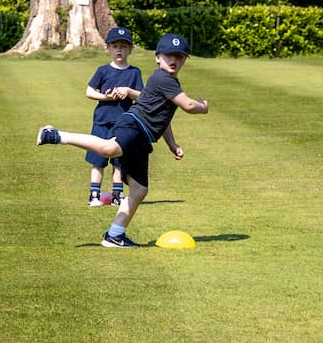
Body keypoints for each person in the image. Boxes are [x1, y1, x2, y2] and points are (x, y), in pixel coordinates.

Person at [36, 33, 209, 248]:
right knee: (110, 149)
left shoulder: (170, 82)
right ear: (157, 58)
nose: (173, 60)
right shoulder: (163, 79)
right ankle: (54, 135)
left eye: (179, 57)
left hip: (143, 140)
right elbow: (189, 106)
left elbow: (163, 119)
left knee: (139, 190)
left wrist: (172, 144)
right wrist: (204, 107)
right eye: (168, 56)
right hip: (133, 125)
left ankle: (115, 235)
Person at [83, 27, 142, 207]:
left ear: (130, 49)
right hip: (102, 120)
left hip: (123, 124)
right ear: (108, 48)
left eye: (123, 47)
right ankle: (94, 195)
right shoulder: (103, 71)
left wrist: (128, 92)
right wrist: (106, 97)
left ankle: (117, 195)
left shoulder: (134, 72)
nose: (119, 50)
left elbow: (141, 96)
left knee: (119, 161)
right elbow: (89, 91)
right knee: (98, 160)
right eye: (115, 46)